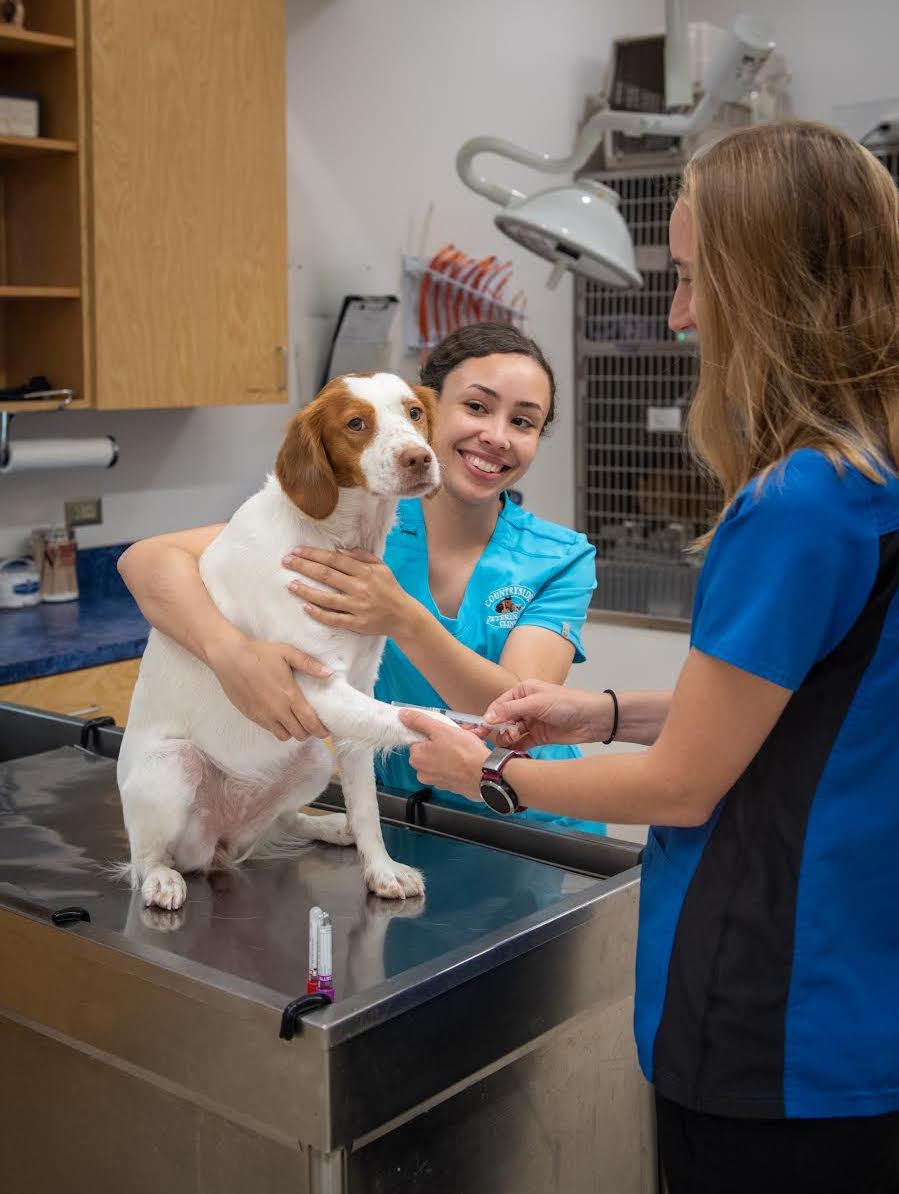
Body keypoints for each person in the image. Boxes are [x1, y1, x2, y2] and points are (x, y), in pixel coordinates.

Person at [399, 120, 899, 1194]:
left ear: (770, 284)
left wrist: (483, 772)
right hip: (860, 990)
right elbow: (814, 702)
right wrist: (599, 712)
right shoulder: (876, 477)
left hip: (772, 1002)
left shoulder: (797, 503)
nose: (676, 316)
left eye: (688, 280)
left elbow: (684, 787)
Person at [117, 322, 604, 834]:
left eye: (524, 422)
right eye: (477, 407)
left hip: (535, 822)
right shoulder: (350, 524)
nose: (497, 436)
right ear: (422, 415)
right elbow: (147, 560)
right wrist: (233, 657)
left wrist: (404, 618)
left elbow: (513, 713)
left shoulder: (561, 557)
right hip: (405, 821)